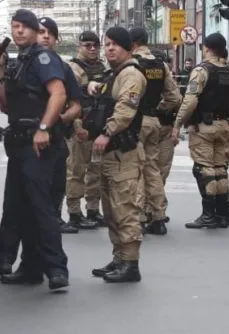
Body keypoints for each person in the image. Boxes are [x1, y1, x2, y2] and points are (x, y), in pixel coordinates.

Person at [0, 9, 69, 291]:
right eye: (15, 26)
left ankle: (57, 269)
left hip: (39, 145)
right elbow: (5, 104)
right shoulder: (17, 62)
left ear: (35, 31)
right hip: (19, 144)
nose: (19, 31)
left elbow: (58, 93)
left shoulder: (42, 57)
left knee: (42, 209)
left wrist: (44, 128)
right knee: (19, 208)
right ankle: (31, 268)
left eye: (24, 26)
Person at [174, 33, 229, 229]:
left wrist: (177, 124)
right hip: (225, 127)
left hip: (204, 127)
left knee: (204, 169)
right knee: (220, 169)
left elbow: (190, 100)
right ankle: (224, 214)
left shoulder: (201, 71)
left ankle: (208, 214)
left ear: (206, 48)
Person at [84, 27, 147, 283]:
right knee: (110, 211)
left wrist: (107, 133)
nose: (109, 48)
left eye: (115, 44)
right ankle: (119, 258)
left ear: (128, 48)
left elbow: (124, 110)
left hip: (123, 153)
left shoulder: (131, 75)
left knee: (125, 210)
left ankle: (131, 264)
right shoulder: (115, 74)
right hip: (110, 155)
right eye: (107, 44)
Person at [128, 28, 182, 235]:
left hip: (134, 121)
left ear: (132, 43)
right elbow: (175, 98)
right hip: (153, 122)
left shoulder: (131, 63)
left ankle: (140, 215)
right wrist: (157, 110)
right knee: (152, 169)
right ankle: (158, 216)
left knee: (135, 169)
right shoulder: (160, 65)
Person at [37, 17, 85, 234]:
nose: (46, 36)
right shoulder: (20, 63)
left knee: (57, 182)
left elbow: (77, 105)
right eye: (41, 31)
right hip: (26, 139)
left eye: (50, 33)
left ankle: (54, 216)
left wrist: (60, 118)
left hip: (55, 137)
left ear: (56, 39)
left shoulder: (63, 68)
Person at [63, 30, 109, 231]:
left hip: (98, 124)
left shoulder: (102, 67)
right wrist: (75, 126)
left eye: (95, 45)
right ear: (79, 46)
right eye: (87, 45)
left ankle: (92, 209)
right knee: (76, 170)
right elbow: (68, 99)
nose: (92, 49)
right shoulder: (73, 68)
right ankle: (74, 212)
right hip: (80, 124)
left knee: (96, 170)